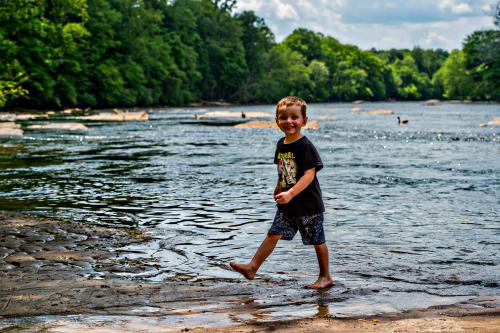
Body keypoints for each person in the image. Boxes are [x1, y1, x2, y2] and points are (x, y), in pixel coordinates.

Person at [229, 96, 333, 289]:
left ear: (304, 121)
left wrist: (292, 192)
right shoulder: (281, 144)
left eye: (294, 117)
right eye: (283, 117)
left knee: (317, 240)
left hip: (308, 204)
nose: (289, 121)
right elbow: (283, 168)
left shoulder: (305, 146)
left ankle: (325, 276)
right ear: (277, 121)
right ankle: (252, 267)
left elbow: (309, 174)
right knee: (273, 234)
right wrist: (279, 185)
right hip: (287, 204)